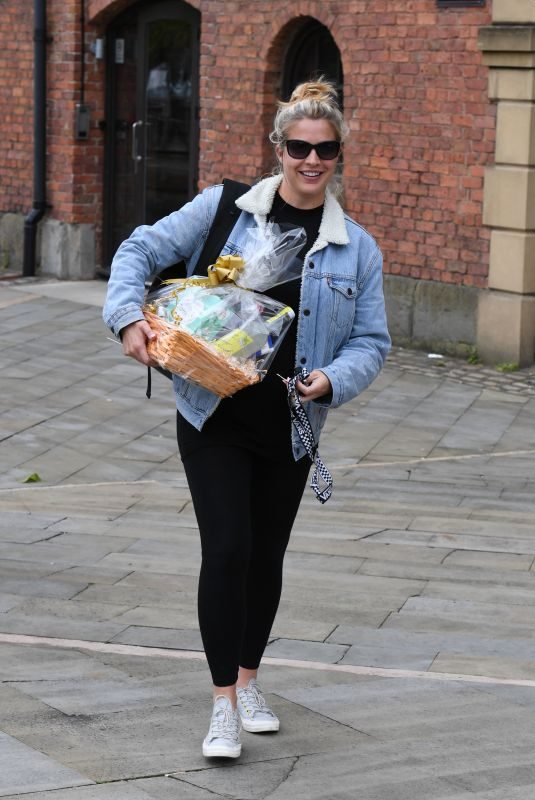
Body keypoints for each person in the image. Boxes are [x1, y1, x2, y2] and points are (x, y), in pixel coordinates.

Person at [103, 79, 390, 760]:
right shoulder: (224, 208)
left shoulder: (357, 249)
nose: (310, 160)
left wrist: (332, 380)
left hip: (290, 423)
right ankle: (223, 703)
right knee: (227, 548)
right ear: (278, 149)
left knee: (264, 558)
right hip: (212, 412)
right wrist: (124, 319)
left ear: (339, 154)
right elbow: (138, 250)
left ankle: (250, 679)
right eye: (298, 147)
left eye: (324, 149)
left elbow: (371, 342)